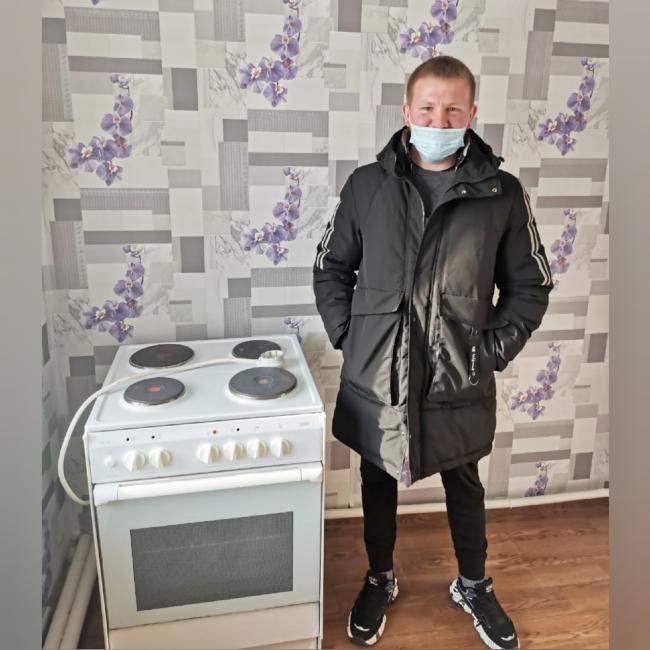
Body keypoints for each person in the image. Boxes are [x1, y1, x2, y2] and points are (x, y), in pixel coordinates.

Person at [312, 55, 552, 648]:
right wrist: (351, 338)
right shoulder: (367, 186)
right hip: (378, 374)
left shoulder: (501, 193)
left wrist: (488, 352)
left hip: (457, 375)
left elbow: (530, 285)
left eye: (452, 109)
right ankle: (380, 577)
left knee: (464, 479)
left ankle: (473, 584)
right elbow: (331, 268)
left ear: (472, 113)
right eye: (427, 108)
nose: (438, 120)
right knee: (378, 476)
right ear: (406, 110)